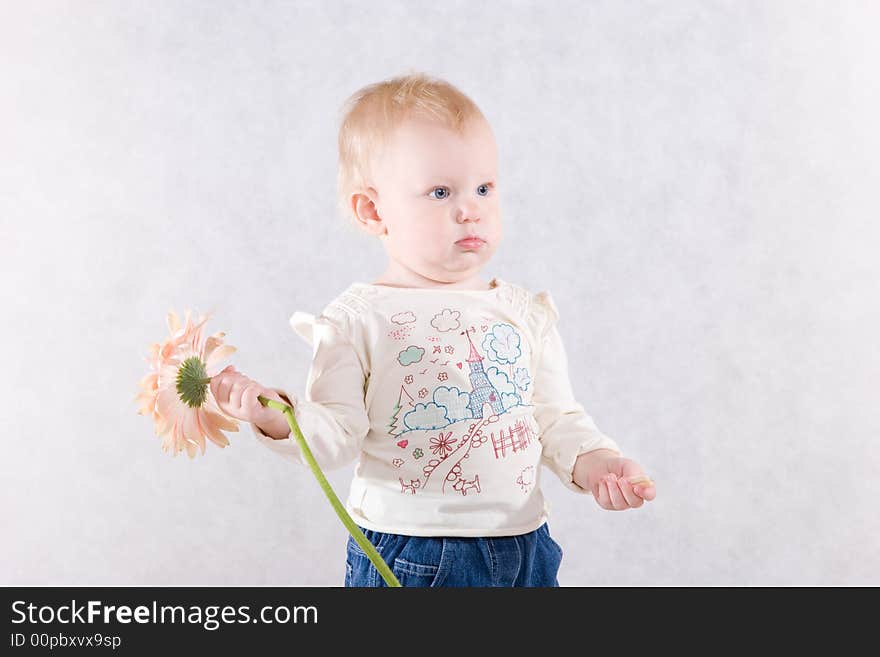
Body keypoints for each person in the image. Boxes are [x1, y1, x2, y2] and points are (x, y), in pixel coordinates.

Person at [210, 71, 656, 587]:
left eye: (484, 188)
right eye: (440, 192)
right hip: (415, 552)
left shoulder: (522, 312)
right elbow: (336, 432)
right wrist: (279, 419)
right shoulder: (358, 320)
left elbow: (555, 419)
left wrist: (598, 463)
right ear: (374, 210)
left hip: (525, 543)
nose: (470, 210)